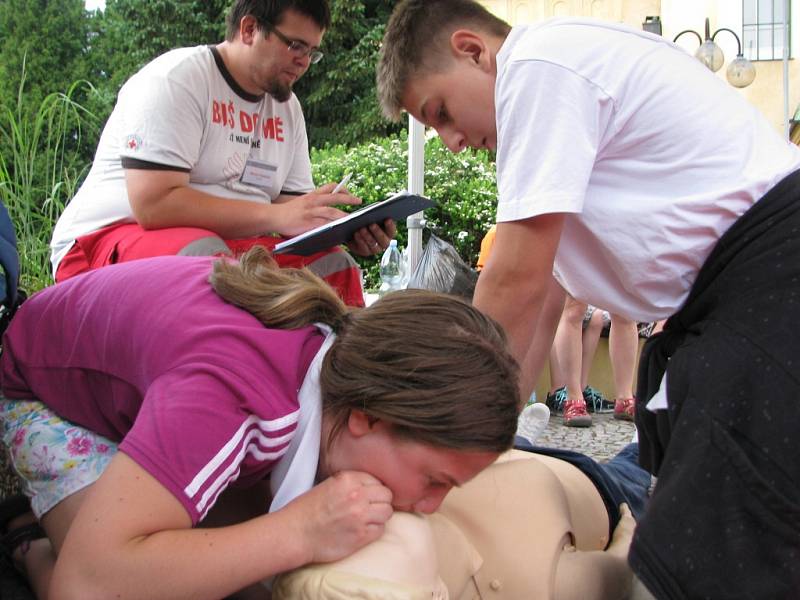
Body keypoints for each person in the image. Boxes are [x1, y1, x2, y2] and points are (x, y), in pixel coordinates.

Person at [377, 2, 800, 598]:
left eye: (440, 112)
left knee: (695, 562)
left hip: (774, 279)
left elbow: (514, 279)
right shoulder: (552, 85)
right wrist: (491, 435)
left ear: (474, 50)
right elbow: (541, 297)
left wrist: (444, 432)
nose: (450, 142)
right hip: (748, 292)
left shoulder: (538, 68)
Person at [0, 247, 520, 599]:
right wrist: (299, 531)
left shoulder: (327, 370)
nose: (430, 506)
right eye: (434, 481)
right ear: (366, 416)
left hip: (155, 388)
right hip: (46, 393)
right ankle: (30, 547)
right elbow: (88, 581)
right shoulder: (236, 397)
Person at [49, 0, 396, 307]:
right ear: (249, 29)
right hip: (103, 241)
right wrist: (278, 217)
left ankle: (328, 377)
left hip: (226, 246)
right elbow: (153, 205)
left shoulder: (288, 109)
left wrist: (345, 230)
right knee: (208, 263)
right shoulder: (177, 79)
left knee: (332, 266)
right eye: (295, 46)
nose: (304, 62)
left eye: (312, 52)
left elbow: (293, 215)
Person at [273, 441, 650, 600]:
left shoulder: (531, 581)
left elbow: (624, 561)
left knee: (632, 473)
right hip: (532, 474)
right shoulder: (534, 581)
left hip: (565, 480)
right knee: (631, 465)